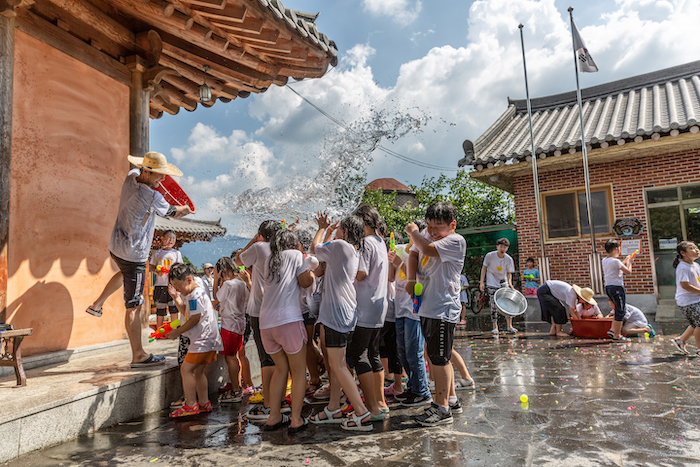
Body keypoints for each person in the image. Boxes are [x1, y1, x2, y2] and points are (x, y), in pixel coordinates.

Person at [85, 151, 191, 367]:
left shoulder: (131, 175)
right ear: (147, 170)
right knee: (134, 305)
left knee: (124, 273)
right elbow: (173, 212)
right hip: (134, 253)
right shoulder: (151, 196)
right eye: (159, 175)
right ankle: (139, 355)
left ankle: (97, 303)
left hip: (117, 244)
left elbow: (144, 176)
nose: (162, 180)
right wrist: (186, 209)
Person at [309, 213, 374, 432]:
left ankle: (361, 412)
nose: (336, 231)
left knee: (337, 365)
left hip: (336, 314)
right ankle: (334, 407)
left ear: (345, 231)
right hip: (343, 312)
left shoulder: (341, 246)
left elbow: (315, 249)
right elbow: (324, 249)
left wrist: (321, 227)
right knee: (337, 364)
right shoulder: (350, 249)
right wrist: (328, 231)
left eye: (339, 229)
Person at [406, 201, 466, 427]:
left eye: (437, 227)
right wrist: (411, 279)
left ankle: (441, 409)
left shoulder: (456, 241)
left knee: (439, 358)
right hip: (428, 306)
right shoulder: (425, 235)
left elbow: (426, 249)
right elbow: (413, 254)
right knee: (437, 355)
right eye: (429, 227)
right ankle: (450, 399)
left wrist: (413, 232)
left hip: (443, 308)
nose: (431, 232)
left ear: (452, 225)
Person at [259, 229, 314, 433]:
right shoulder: (295, 255)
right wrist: (311, 274)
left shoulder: (269, 259)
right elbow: (305, 282)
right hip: (288, 320)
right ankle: (296, 419)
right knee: (299, 371)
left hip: (266, 323)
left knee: (280, 368)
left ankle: (274, 417)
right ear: (293, 243)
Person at [234, 220, 283, 420]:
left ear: (261, 235)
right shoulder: (283, 250)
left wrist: (253, 240)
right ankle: (279, 400)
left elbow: (238, 261)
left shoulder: (259, 247)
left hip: (259, 309)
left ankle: (269, 403)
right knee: (280, 356)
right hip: (281, 308)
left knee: (266, 357)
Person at [347, 205, 389, 419]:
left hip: (365, 305)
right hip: (379, 305)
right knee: (373, 353)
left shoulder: (364, 243)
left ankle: (371, 407)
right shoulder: (381, 241)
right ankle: (381, 402)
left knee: (357, 354)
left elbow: (361, 274)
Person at [167, 263, 223, 417]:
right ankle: (204, 403)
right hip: (208, 340)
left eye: (178, 286)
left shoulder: (194, 295)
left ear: (189, 279)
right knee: (198, 372)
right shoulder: (193, 293)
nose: (177, 289)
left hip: (202, 341)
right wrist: (176, 297)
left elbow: (194, 319)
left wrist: (177, 332)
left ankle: (191, 404)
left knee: (186, 369)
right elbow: (186, 312)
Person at [213, 257, 249, 404]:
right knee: (235, 356)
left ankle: (235, 391)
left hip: (229, 325)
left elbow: (216, 297)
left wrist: (215, 281)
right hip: (240, 323)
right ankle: (237, 386)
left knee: (230, 358)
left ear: (223, 271)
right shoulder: (242, 283)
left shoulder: (228, 284)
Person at [480, 238, 516, 335]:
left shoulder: (508, 259)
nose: (502, 249)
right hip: (491, 283)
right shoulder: (490, 256)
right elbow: (484, 268)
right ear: (497, 247)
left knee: (508, 304)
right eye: (501, 247)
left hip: (503, 283)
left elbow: (509, 273)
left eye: (504, 247)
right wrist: (481, 282)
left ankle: (510, 326)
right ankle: (495, 327)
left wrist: (509, 283)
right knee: (493, 305)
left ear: (507, 248)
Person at [603, 239, 635, 342]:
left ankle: (613, 330)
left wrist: (625, 261)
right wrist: (629, 263)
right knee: (621, 311)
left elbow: (616, 266)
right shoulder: (615, 261)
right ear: (616, 249)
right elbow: (628, 272)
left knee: (618, 310)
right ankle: (617, 335)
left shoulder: (605, 260)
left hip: (608, 287)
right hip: (617, 287)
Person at [671, 241, 700, 356]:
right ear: (683, 253)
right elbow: (685, 284)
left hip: (696, 299)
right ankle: (699, 350)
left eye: (696, 247)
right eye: (692, 248)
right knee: (699, 324)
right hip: (687, 301)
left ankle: (680, 340)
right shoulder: (683, 266)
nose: (696, 250)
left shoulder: (696, 265)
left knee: (695, 323)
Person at [150, 230, 183, 328]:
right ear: (162, 238)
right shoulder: (157, 253)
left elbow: (180, 268)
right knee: (160, 309)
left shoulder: (176, 253)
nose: (171, 240)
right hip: (160, 285)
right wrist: (157, 271)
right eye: (168, 237)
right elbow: (152, 267)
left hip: (172, 285)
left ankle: (174, 330)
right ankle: (159, 330)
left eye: (173, 238)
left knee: (174, 309)